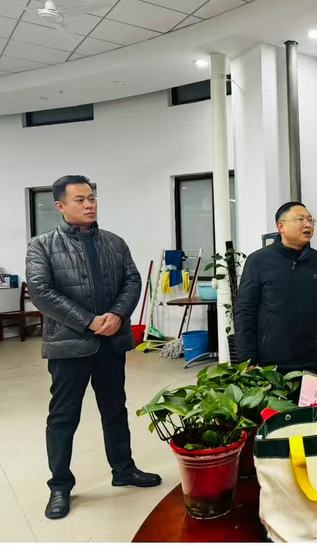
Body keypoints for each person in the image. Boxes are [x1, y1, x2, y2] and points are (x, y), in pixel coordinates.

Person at [25, 175, 161, 521]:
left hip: (111, 343)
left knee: (115, 409)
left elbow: (132, 280)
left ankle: (124, 469)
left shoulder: (114, 242)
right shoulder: (42, 245)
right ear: (61, 206)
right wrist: (88, 321)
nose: (89, 205)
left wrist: (117, 314)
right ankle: (60, 485)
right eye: (80, 200)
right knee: (63, 416)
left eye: (92, 198)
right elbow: (41, 291)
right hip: (69, 345)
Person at [234, 201, 317, 373]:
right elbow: (244, 311)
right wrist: (247, 358)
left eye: (310, 220)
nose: (308, 224)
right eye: (300, 219)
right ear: (281, 226)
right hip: (270, 360)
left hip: (309, 356)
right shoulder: (258, 261)